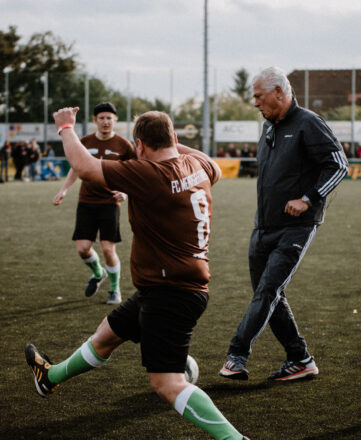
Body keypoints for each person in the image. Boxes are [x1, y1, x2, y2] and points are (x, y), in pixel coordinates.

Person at [25, 108, 249, 440]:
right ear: (174, 139)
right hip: (166, 286)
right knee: (106, 335)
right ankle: (51, 377)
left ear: (139, 145)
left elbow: (85, 167)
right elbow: (208, 161)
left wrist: (66, 128)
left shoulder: (150, 174)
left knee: (167, 384)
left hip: (171, 291)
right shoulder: (200, 166)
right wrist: (173, 144)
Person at [219, 67, 349, 382]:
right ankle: (300, 359)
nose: (254, 103)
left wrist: (308, 198)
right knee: (268, 295)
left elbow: (339, 165)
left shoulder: (308, 123)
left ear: (279, 92)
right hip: (262, 227)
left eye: (259, 96)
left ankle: (237, 355)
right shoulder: (267, 128)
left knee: (267, 291)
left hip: (296, 227)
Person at [53, 102, 135, 305]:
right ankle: (99, 273)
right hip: (86, 202)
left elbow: (133, 173)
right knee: (82, 249)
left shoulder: (124, 145)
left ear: (115, 120)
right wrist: (63, 190)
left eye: (109, 118)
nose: (106, 121)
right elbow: (76, 168)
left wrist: (124, 192)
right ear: (95, 120)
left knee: (108, 249)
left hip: (109, 203)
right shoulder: (84, 141)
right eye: (101, 118)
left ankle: (114, 289)